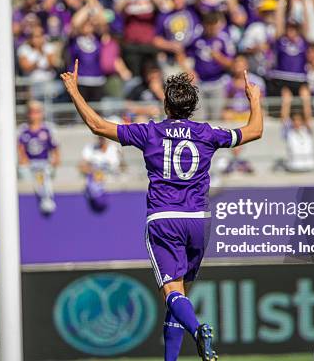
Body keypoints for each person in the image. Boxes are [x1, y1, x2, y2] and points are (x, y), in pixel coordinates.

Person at [61, 59, 263, 361]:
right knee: (179, 295)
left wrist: (74, 91)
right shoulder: (207, 133)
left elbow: (98, 126)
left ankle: (198, 331)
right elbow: (255, 131)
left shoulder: (150, 133)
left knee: (172, 293)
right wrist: (255, 100)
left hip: (164, 219)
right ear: (192, 107)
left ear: (166, 104)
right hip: (198, 221)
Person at [18, 101, 61, 214]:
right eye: (31, 112)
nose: (34, 115)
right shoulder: (23, 130)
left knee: (45, 176)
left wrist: (54, 162)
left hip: (44, 163)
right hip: (30, 165)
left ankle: (47, 199)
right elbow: (21, 151)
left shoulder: (48, 129)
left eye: (36, 112)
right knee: (24, 173)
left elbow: (55, 150)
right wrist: (25, 163)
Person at [276, 87, 314, 172]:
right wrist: (286, 102)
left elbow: (308, 116)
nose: (297, 123)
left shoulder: (307, 130)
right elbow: (284, 118)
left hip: (309, 167)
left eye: (299, 120)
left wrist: (306, 100)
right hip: (294, 168)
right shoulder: (289, 132)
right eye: (294, 120)